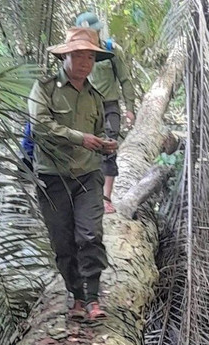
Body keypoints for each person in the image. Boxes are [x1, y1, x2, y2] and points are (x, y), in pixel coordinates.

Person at [28, 27, 117, 321]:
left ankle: (93, 299)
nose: (85, 63)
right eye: (79, 56)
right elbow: (39, 126)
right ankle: (76, 297)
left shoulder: (95, 96)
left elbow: (99, 131)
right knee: (63, 241)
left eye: (90, 57)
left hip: (87, 175)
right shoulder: (45, 88)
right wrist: (80, 138)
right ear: (65, 57)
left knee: (90, 234)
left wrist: (106, 144)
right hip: (52, 177)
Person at [76, 12, 137, 214]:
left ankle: (106, 198)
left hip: (109, 106)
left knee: (108, 149)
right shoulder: (74, 53)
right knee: (84, 150)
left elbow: (125, 80)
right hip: (84, 107)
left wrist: (129, 108)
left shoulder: (112, 51)